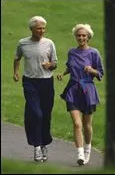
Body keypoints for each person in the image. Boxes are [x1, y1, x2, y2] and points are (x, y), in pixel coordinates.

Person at [57, 23, 104, 166]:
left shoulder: (94, 53)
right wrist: (63, 73)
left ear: (88, 37)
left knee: (86, 124)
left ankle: (88, 149)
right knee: (77, 123)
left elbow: (100, 73)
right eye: (78, 35)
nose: (81, 37)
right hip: (72, 89)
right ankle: (80, 154)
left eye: (84, 35)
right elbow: (70, 66)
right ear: (75, 37)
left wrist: (92, 70)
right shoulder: (71, 52)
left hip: (87, 89)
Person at [13, 16, 58, 162]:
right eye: (39, 28)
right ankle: (37, 146)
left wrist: (49, 65)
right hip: (30, 82)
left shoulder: (49, 43)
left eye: (44, 28)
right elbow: (17, 58)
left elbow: (55, 63)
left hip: (46, 83)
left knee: (45, 115)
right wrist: (16, 72)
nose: (42, 31)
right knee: (36, 114)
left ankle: (44, 143)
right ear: (31, 28)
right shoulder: (23, 43)